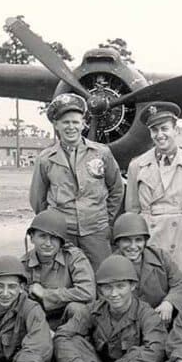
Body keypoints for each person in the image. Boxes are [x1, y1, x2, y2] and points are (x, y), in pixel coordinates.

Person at [51, 255, 167, 362]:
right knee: (73, 339)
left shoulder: (146, 314)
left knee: (140, 351)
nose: (114, 294)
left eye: (120, 287)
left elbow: (156, 351)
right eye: (107, 288)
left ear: (132, 286)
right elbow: (62, 336)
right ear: (101, 290)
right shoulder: (93, 310)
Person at [30, 93, 124, 270]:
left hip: (96, 231)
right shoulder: (45, 159)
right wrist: (53, 225)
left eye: (75, 122)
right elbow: (38, 199)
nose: (71, 127)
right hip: (63, 233)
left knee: (103, 275)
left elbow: (116, 189)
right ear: (56, 125)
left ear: (83, 123)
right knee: (64, 277)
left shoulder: (101, 153)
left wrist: (105, 220)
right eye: (65, 122)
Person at [125, 102, 182, 283]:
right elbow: (132, 211)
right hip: (149, 239)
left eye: (164, 128)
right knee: (151, 290)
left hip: (181, 242)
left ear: (176, 130)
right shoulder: (137, 166)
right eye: (154, 130)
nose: (160, 135)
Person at [111, 212, 182, 324]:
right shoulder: (110, 265)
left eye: (138, 240)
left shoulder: (160, 257)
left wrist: (169, 302)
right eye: (127, 240)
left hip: (162, 320)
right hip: (128, 324)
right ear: (118, 242)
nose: (133, 246)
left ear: (145, 242)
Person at [21, 210, 96, 330]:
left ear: (61, 241)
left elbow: (88, 292)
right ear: (32, 238)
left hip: (70, 320)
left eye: (54, 238)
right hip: (39, 320)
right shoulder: (24, 264)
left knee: (77, 309)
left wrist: (46, 294)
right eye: (42, 236)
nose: (48, 243)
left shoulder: (73, 257)